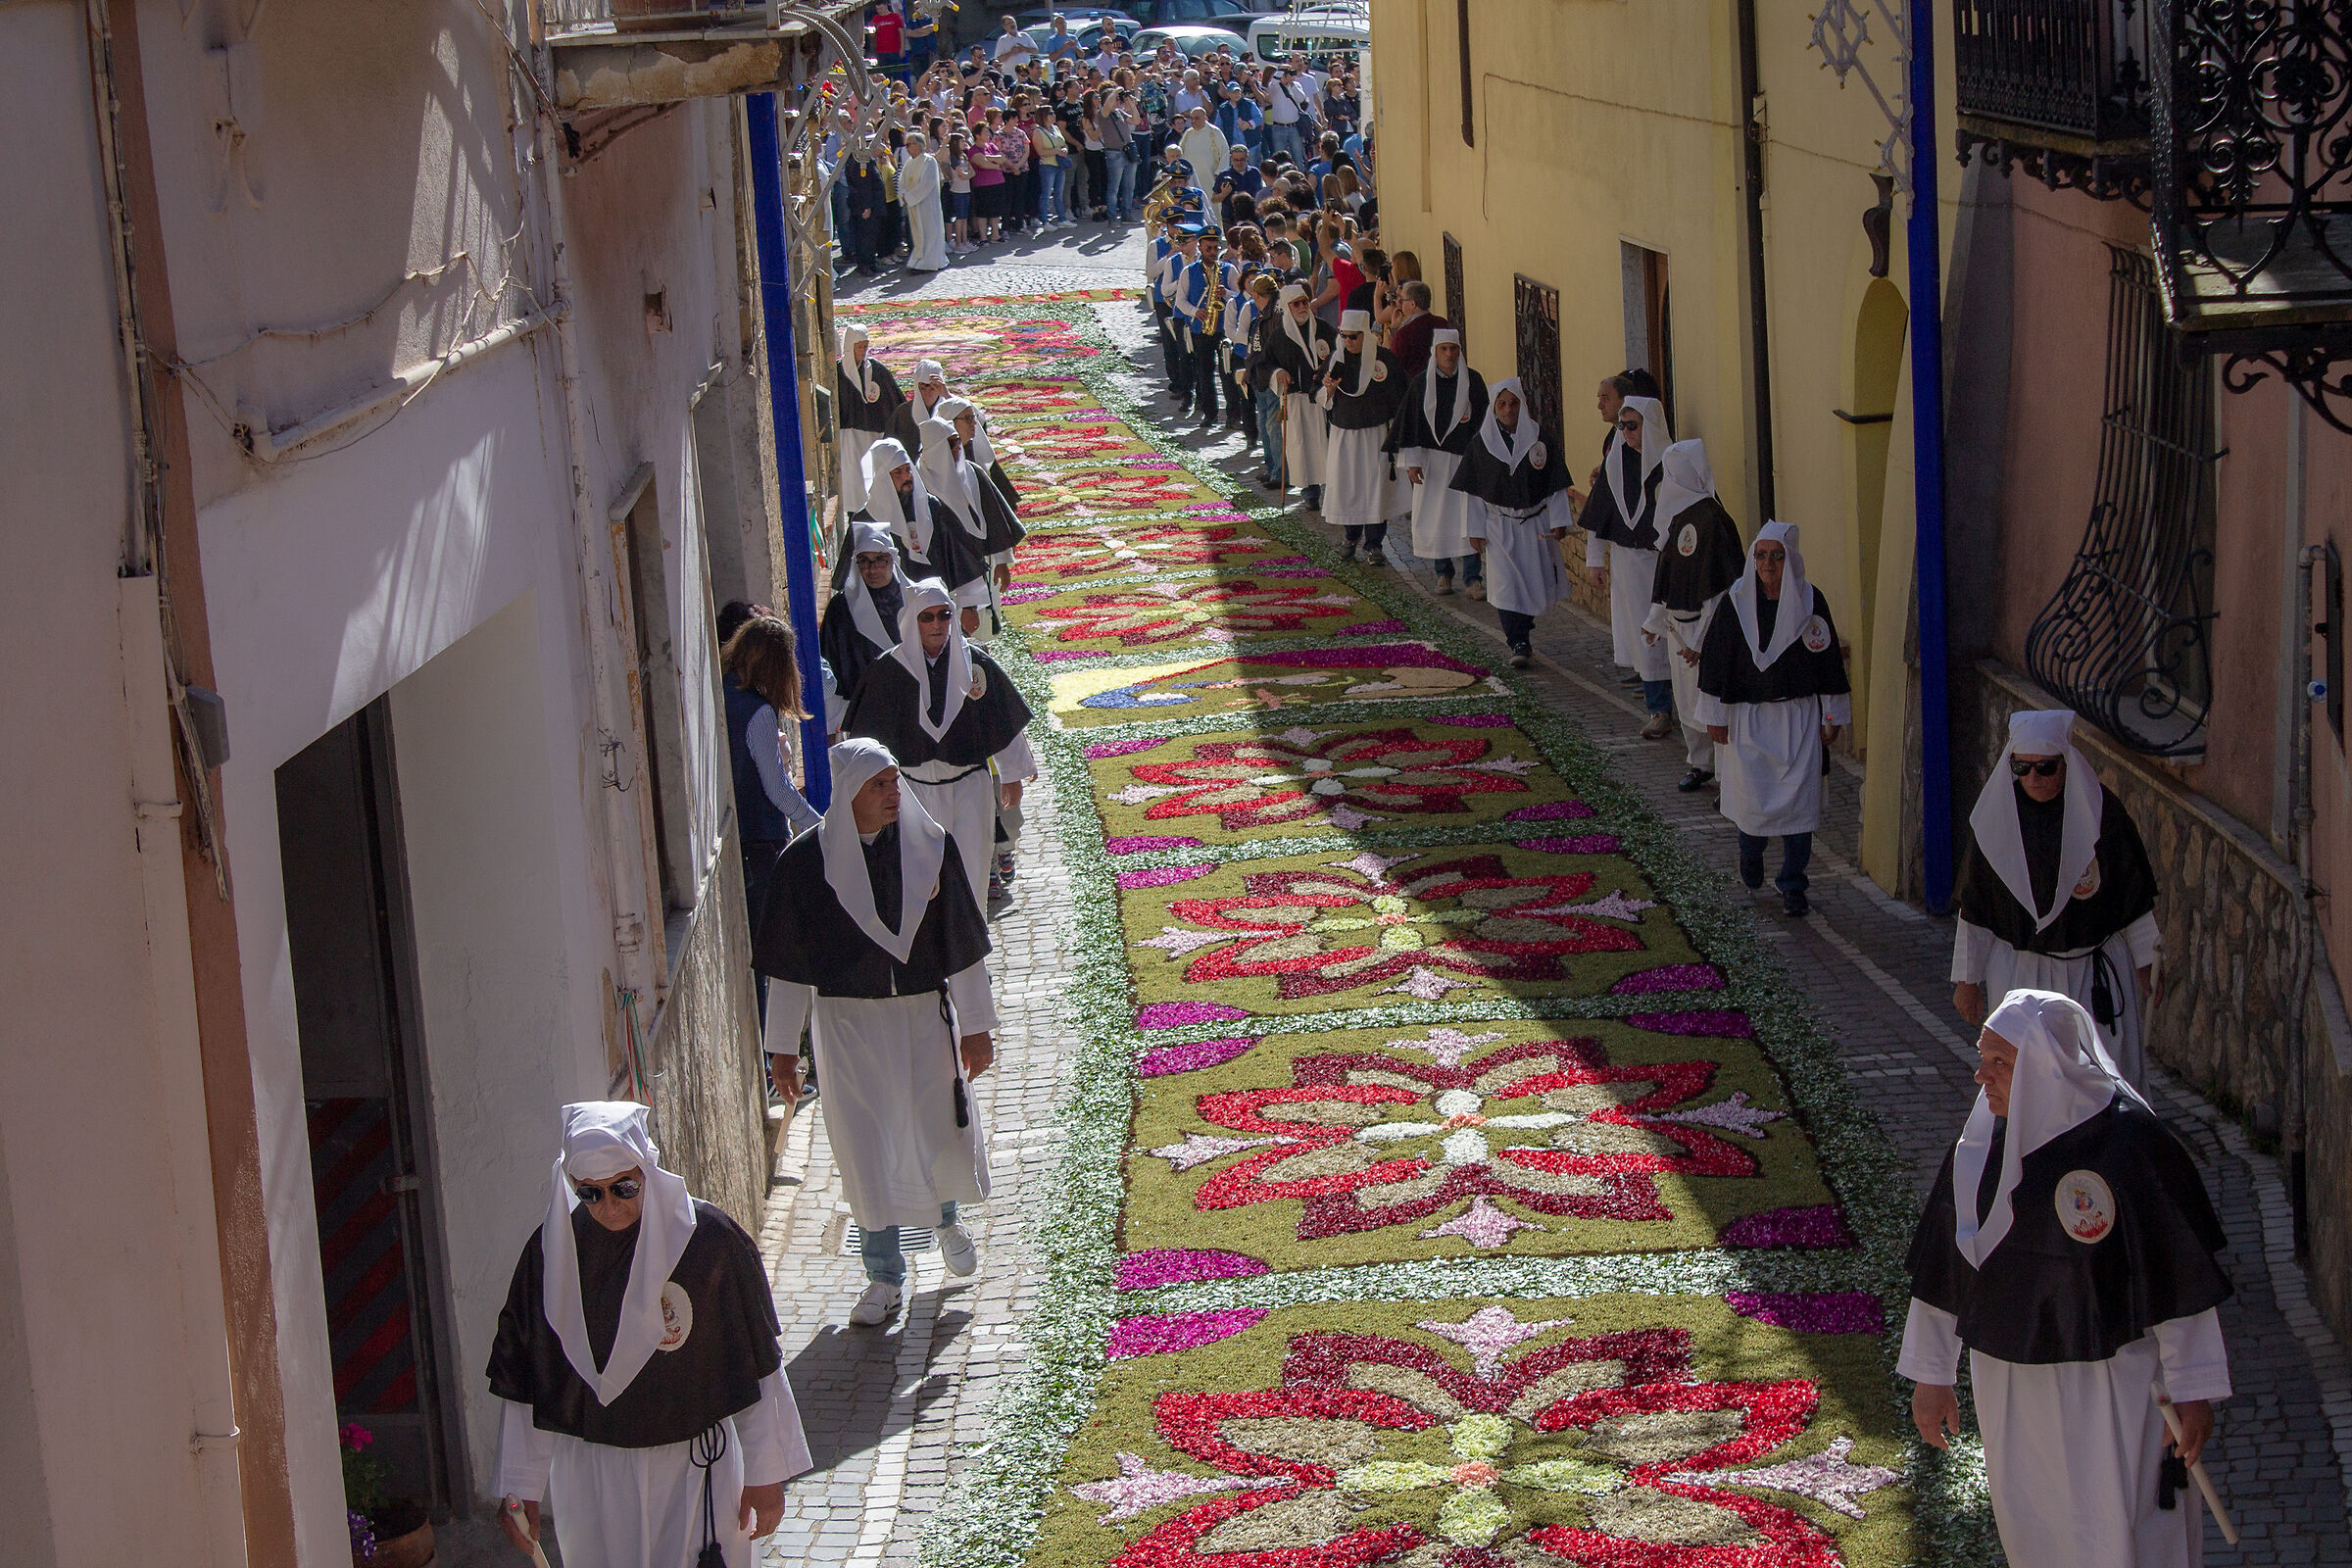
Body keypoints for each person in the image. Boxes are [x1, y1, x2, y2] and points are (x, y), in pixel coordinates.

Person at [1900, 989, 2230, 1568]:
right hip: (2011, 1386)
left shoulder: (2131, 1147)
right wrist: (1932, 1379)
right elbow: (1943, 1275)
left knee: (2125, 1530)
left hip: (2116, 1385)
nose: (1981, 1075)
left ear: (2047, 1067)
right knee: (2035, 1531)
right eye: (1983, 1057)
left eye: (2000, 1062)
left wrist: (2193, 1389)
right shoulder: (1977, 1154)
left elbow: (2179, 1281)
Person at [487, 1102, 810, 1566]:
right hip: (591, 1474)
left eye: (623, 1187)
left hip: (696, 1468)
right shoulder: (549, 1256)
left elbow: (755, 1363)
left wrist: (766, 1474)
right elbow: (529, 1377)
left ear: (646, 1168)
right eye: (591, 1194)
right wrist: (520, 1487)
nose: (610, 1205)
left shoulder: (710, 1241)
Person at [755, 743, 998, 1326]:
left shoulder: (931, 848)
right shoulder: (804, 866)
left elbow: (962, 946)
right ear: (848, 796)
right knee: (863, 1147)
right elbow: (787, 968)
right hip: (846, 1027)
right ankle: (883, 1276)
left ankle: (944, 1220)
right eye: (878, 785)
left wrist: (978, 1026)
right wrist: (783, 1050)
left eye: (894, 780)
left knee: (931, 1127)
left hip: (919, 1017)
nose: (893, 793)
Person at [1953, 710, 2163, 1087]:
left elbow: (2132, 895)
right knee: (2025, 1080)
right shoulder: (1994, 824)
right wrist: (1967, 981)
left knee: (2100, 1078)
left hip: (2091, 974)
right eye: (2023, 767)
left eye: (2046, 768)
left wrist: (2148, 963)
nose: (2033, 778)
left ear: (2065, 765)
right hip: (2022, 973)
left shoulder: (2103, 816)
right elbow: (1976, 907)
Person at [841, 579, 1035, 923]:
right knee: (921, 878)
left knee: (973, 873)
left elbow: (1000, 721)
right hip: (913, 791)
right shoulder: (888, 671)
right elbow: (865, 740)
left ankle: (973, 959)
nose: (936, 625)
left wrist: (1013, 775)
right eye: (926, 617)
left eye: (944, 615)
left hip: (969, 788)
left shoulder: (975, 665)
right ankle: (930, 961)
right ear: (913, 619)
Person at [1693, 521, 1850, 917]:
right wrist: (1715, 715)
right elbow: (1716, 659)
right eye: (1761, 556)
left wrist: (1832, 714)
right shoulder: (1736, 601)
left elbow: (1827, 658)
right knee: (1752, 807)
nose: (1768, 564)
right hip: (1749, 718)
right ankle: (1751, 857)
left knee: (1800, 810)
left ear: (1790, 559)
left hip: (1798, 719)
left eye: (1777, 556)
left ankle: (1793, 883)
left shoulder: (1810, 601)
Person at [1641, 438, 1746, 792]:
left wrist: (1702, 641)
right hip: (1677, 629)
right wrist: (1654, 621)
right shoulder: (1678, 520)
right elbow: (1667, 577)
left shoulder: (1715, 521)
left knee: (1713, 702)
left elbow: (1720, 590)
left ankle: (1725, 775)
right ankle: (1699, 763)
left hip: (1705, 630)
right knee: (1687, 704)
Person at [1573, 394, 1676, 739]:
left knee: (1673, 635)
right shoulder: (1614, 465)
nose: (1628, 433)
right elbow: (1601, 514)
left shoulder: (1671, 465)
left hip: (1665, 562)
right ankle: (1658, 709)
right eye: (1623, 426)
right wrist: (1593, 561)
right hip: (1629, 562)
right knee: (1643, 636)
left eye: (1633, 426)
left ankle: (1684, 707)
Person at [1452, 376, 1572, 666]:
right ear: (1494, 408)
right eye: (1502, 404)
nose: (1508, 409)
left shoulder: (1540, 440)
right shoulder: (1482, 445)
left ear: (1522, 405)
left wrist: (1559, 519)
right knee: (1506, 587)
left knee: (1531, 582)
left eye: (1514, 403)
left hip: (1533, 523)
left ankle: (1524, 626)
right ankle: (1517, 640)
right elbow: (1476, 493)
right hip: (1499, 525)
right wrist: (1475, 530)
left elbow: (1555, 485)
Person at [1387, 327, 1487, 596]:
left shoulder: (1473, 382)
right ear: (1435, 351)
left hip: (1464, 462)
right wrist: (1412, 462)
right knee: (1437, 519)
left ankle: (1472, 578)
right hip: (1432, 463)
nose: (1449, 354)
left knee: (1468, 519)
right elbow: (1410, 424)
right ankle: (1443, 575)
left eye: (1453, 349)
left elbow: (1484, 424)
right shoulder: (1421, 384)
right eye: (1443, 349)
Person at [917, 412, 1023, 636]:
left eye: (957, 441)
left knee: (980, 630)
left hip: (979, 563)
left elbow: (994, 516)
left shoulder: (972, 473)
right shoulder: (919, 483)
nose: (958, 448)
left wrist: (1002, 561)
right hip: (944, 570)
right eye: (951, 443)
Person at [1318, 308, 1405, 564]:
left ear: (1366, 336)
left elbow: (1401, 394)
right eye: (1344, 336)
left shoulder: (1385, 360)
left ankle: (1375, 543)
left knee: (1375, 488)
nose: (1348, 342)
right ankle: (1351, 536)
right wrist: (1329, 391)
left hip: (1374, 435)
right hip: (1344, 435)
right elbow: (1320, 396)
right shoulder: (1336, 360)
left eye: (1353, 337)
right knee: (1349, 487)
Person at [859, 438, 988, 602]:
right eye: (898, 472)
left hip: (932, 606)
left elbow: (958, 554)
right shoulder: (866, 519)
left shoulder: (930, 507)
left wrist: (970, 605)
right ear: (882, 477)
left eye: (908, 469)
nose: (907, 477)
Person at [821, 521, 911, 711]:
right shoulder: (841, 609)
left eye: (880, 560)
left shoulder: (914, 600)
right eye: (864, 561)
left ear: (892, 560)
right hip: (862, 708)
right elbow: (829, 664)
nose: (872, 569)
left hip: (910, 702)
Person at [1267, 280, 1333, 509]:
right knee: (1302, 447)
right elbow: (1264, 364)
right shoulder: (1279, 336)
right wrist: (1278, 372)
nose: (1303, 307)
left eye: (1305, 302)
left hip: (1323, 398)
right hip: (1296, 399)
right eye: (1297, 304)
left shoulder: (1323, 329)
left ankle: (1332, 492)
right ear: (1288, 307)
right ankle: (1310, 494)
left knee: (1327, 445)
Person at [835, 326, 906, 518]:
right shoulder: (838, 373)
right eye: (859, 347)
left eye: (866, 346)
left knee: (874, 479)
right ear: (849, 347)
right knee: (853, 481)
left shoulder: (877, 371)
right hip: (849, 438)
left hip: (873, 434)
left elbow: (895, 400)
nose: (863, 351)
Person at [1165, 220, 1218, 423]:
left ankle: (1210, 405)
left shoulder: (1224, 268)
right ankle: (1192, 399)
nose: (1180, 245)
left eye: (1184, 241)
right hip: (1190, 321)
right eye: (1179, 241)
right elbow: (1172, 296)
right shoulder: (1180, 265)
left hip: (1217, 325)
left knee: (1214, 370)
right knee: (1188, 360)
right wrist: (1195, 311)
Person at [899, 129, 949, 270]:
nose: (907, 148)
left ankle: (930, 262)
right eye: (906, 145)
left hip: (927, 204)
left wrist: (909, 197)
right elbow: (902, 182)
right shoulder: (909, 162)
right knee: (918, 234)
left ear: (919, 145)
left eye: (910, 144)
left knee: (929, 232)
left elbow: (927, 183)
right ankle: (918, 260)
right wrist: (903, 195)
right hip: (914, 204)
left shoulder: (929, 161)